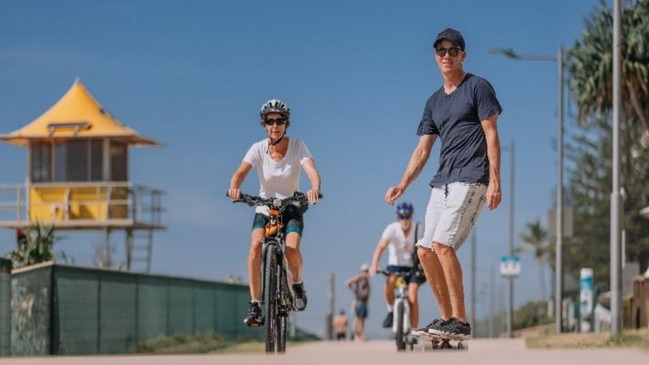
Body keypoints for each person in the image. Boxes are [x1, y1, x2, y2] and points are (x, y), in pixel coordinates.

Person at [385, 28, 503, 339]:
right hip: (443, 183)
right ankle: (446, 318)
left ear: (463, 54)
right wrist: (403, 184)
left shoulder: (478, 87)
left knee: (443, 244)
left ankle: (460, 321)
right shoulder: (433, 101)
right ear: (435, 57)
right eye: (441, 51)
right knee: (424, 251)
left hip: (472, 178)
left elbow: (491, 135)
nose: (447, 56)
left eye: (453, 50)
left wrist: (495, 181)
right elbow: (422, 150)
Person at [227, 99, 322, 326]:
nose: (275, 125)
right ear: (264, 125)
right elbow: (240, 172)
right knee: (255, 247)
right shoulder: (258, 148)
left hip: (291, 205)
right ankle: (255, 304)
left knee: (291, 250)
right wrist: (234, 187)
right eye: (270, 121)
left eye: (280, 120)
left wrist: (315, 188)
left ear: (286, 124)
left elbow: (312, 170)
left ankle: (297, 285)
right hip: (265, 206)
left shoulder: (298, 146)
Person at [369, 202, 426, 331]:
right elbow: (380, 247)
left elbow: (424, 249)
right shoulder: (392, 229)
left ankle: (414, 331)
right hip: (395, 267)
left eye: (407, 217)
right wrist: (374, 265)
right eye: (402, 217)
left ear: (411, 216)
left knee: (412, 296)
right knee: (389, 283)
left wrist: (424, 268)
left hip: (413, 268)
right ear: (398, 217)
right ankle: (391, 310)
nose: (404, 220)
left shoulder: (418, 228)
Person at [345, 264, 371, 341]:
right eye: (365, 271)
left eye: (367, 271)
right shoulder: (360, 278)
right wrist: (355, 292)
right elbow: (348, 283)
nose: (366, 273)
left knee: (362, 319)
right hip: (359, 301)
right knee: (358, 319)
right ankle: (357, 335)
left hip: (364, 301)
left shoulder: (366, 279)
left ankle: (360, 334)